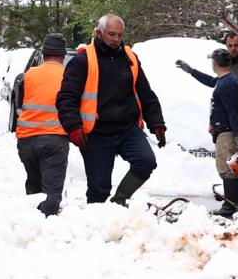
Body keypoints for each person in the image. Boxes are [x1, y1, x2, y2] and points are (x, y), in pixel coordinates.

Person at [56, 14, 167, 205]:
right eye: (111, 34)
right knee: (99, 189)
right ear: (99, 33)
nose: (116, 39)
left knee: (146, 161)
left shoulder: (130, 58)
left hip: (127, 128)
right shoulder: (83, 61)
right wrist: (73, 126)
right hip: (96, 133)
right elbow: (66, 98)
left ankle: (119, 201)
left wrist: (156, 122)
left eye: (120, 35)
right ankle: (96, 226)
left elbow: (145, 92)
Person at [175, 32, 238, 207]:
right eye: (229, 46)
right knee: (236, 161)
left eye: (236, 45)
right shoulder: (227, 73)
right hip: (233, 121)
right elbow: (214, 82)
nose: (233, 49)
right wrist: (192, 71)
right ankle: (236, 198)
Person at [178, 48, 238, 217]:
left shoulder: (227, 83)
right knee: (231, 168)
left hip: (228, 132)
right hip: (226, 130)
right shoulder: (227, 79)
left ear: (214, 64)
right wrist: (191, 71)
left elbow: (232, 111)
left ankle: (229, 207)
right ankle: (232, 205)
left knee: (227, 169)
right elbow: (212, 82)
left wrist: (236, 135)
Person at [14, 33, 70, 216]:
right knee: (51, 193)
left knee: (34, 188)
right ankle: (46, 225)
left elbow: (20, 103)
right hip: (54, 139)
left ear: (43, 54)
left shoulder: (29, 75)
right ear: (62, 56)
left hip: (26, 140)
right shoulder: (68, 76)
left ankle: (31, 224)